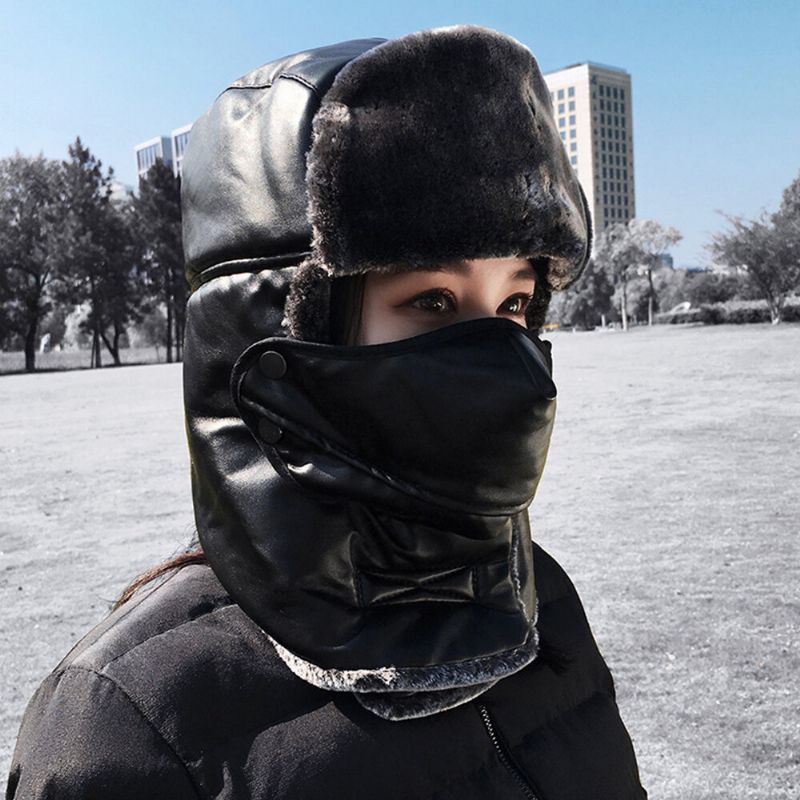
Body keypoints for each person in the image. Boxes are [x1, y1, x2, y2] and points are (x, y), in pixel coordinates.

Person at [7, 25, 647, 799]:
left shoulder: (538, 601)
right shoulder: (126, 723)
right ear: (281, 333)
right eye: (433, 299)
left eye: (514, 301)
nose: (498, 357)